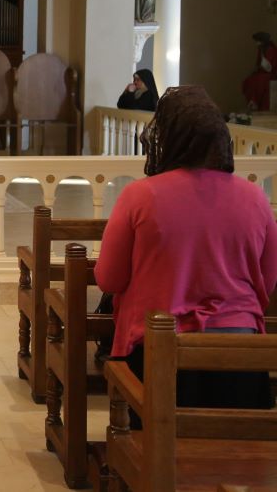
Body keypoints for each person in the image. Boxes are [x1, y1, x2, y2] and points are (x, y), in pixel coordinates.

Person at [95, 87, 277, 420]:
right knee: (233, 447)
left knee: (160, 435)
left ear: (166, 138)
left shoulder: (140, 196)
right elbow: (266, 281)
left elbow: (109, 277)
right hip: (238, 351)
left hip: (157, 346)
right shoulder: (255, 198)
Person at [241, 31, 277, 111]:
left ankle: (255, 102)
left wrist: (260, 68)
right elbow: (258, 62)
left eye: (258, 41)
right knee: (249, 80)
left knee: (259, 81)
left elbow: (270, 66)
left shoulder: (271, 49)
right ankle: (252, 102)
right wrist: (254, 70)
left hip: (271, 73)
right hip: (262, 72)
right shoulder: (261, 48)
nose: (257, 43)